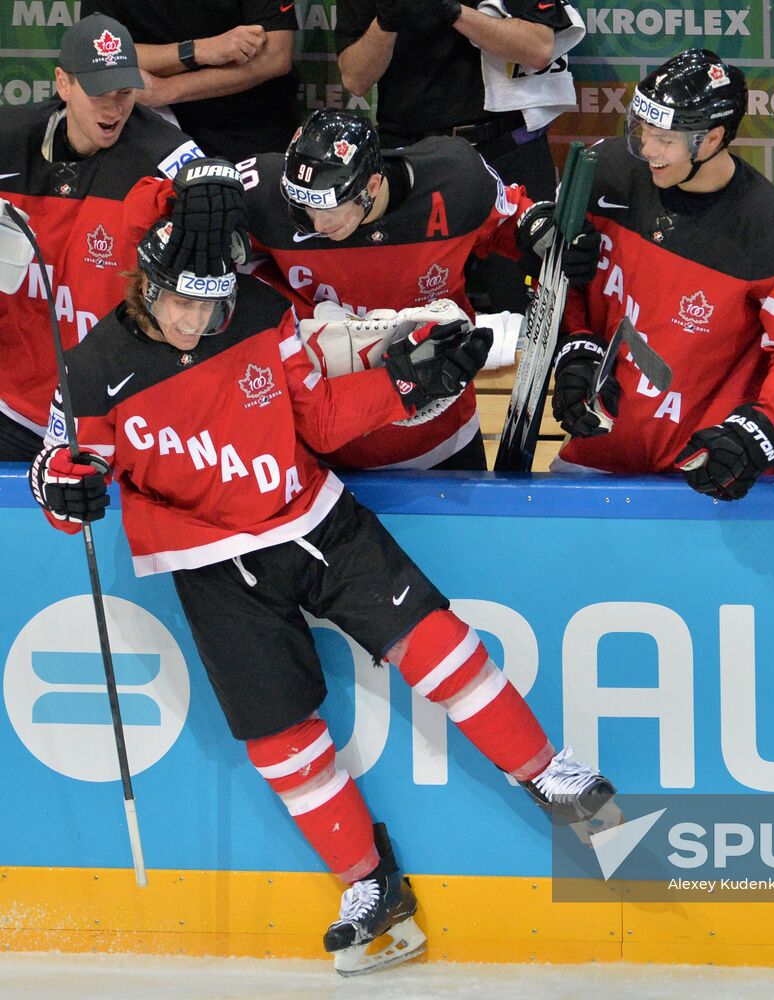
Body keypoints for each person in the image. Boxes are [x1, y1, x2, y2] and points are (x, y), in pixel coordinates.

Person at [27, 161, 616, 976]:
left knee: (436, 644)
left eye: (211, 302)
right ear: (147, 288)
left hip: (316, 521)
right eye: (182, 303)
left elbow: (322, 417)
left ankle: (548, 773)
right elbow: (64, 479)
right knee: (280, 740)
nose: (198, 320)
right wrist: (65, 486)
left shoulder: (258, 311)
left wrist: (406, 386)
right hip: (212, 565)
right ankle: (369, 885)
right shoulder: (94, 368)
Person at [130, 108, 593, 471]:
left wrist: (539, 230)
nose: (315, 223)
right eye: (301, 206)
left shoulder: (456, 179)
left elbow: (511, 222)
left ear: (372, 184)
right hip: (318, 443)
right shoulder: (264, 193)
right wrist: (186, 192)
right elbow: (151, 228)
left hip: (440, 432)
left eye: (329, 208)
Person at [546, 49, 774, 501]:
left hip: (709, 471)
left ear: (712, 139)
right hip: (596, 456)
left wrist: (758, 432)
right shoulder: (601, 172)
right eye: (643, 130)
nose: (647, 149)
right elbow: (562, 278)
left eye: (665, 139)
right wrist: (576, 343)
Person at [0, 13, 203, 462]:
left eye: (124, 92)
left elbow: (221, 215)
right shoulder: (8, 142)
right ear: (63, 84)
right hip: (13, 405)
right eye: (98, 93)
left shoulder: (167, 158)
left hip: (117, 411)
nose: (113, 109)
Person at [334, 0, 576, 313]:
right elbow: (355, 79)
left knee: (529, 311)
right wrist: (386, 22)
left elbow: (539, 48)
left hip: (506, 153)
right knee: (408, 320)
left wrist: (453, 11)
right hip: (416, 165)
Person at [81, 0, 300, 162]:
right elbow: (96, 53)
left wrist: (166, 89)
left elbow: (276, 56)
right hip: (148, 128)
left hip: (249, 125)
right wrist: (198, 51)